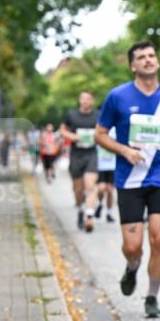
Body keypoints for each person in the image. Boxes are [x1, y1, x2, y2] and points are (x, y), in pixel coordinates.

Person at [95, 41, 160, 318]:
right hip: (129, 179)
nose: (148, 60)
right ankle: (132, 266)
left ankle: (152, 296)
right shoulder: (117, 97)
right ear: (132, 66)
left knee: (159, 238)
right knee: (132, 247)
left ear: (157, 62)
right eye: (141, 57)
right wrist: (124, 151)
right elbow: (100, 135)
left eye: (151, 55)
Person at [60, 90, 101, 232]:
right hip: (76, 155)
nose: (85, 101)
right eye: (82, 98)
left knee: (90, 185)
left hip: (92, 154)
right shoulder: (71, 115)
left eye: (88, 98)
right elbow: (62, 130)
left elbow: (104, 130)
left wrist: (98, 136)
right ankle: (80, 210)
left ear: (92, 101)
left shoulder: (98, 115)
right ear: (79, 100)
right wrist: (73, 137)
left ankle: (89, 216)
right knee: (78, 189)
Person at [95, 127, 117, 223]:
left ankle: (109, 213)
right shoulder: (100, 128)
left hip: (112, 165)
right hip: (100, 165)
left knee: (110, 190)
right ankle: (100, 203)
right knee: (101, 188)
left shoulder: (115, 129)